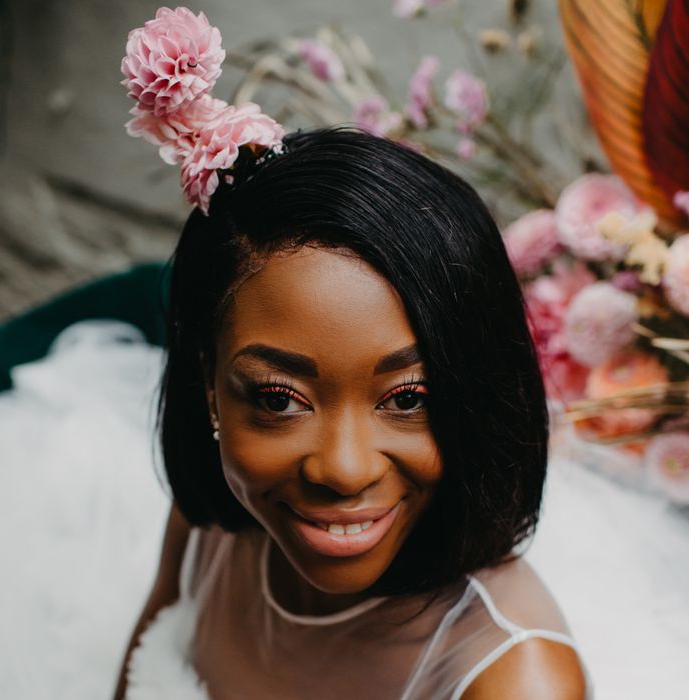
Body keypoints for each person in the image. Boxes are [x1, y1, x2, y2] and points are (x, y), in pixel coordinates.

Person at [112, 126, 590, 700]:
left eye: (408, 398)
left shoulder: (515, 683)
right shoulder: (208, 521)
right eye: (277, 399)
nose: (342, 470)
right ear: (210, 388)